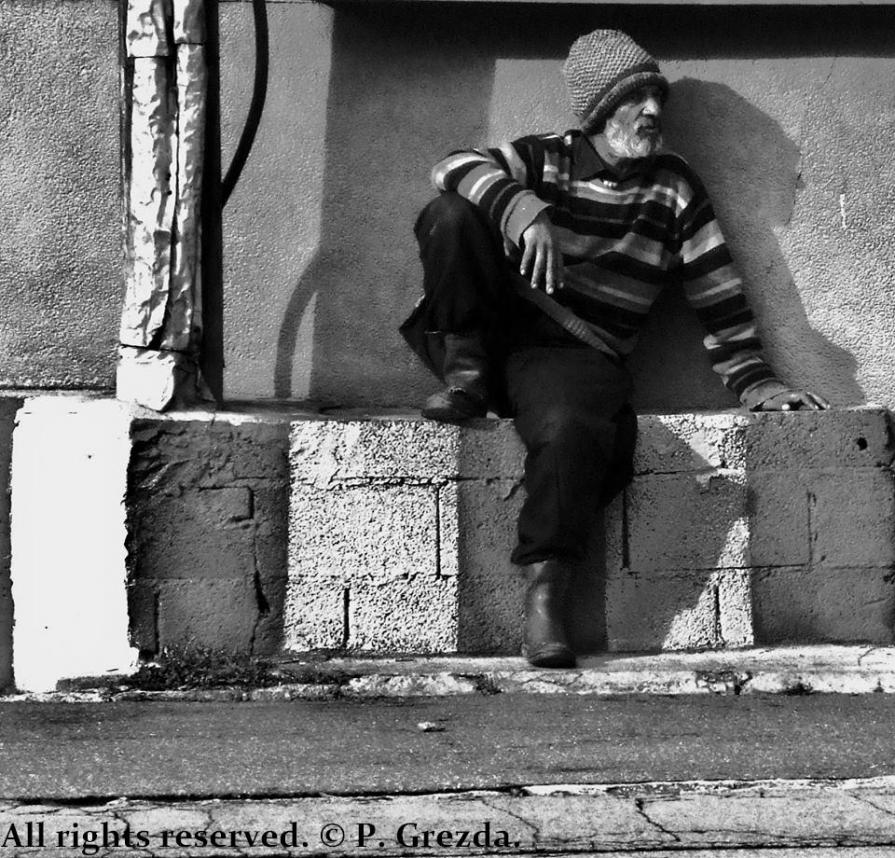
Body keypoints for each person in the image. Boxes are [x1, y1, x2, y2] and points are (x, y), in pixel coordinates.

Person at [400, 29, 828, 669]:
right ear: (600, 110)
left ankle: (546, 592)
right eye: (636, 99)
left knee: (576, 426)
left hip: (569, 358)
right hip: (490, 333)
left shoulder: (674, 188)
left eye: (658, 97)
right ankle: (465, 377)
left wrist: (758, 382)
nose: (653, 111)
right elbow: (451, 166)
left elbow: (717, 291)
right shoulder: (546, 159)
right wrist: (520, 207)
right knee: (451, 213)